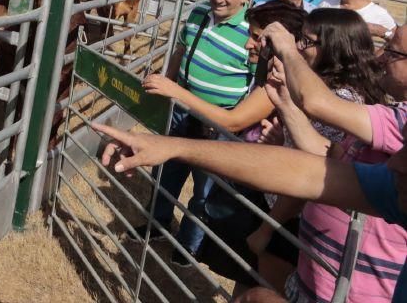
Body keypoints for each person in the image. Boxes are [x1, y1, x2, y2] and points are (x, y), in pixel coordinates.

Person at [92, 24, 407, 300]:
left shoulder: (354, 103)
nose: (379, 59)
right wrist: (172, 145)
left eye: (392, 53)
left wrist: (286, 48)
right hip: (310, 282)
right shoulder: (393, 146)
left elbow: (313, 113)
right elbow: (314, 168)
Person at [249, 10, 402, 300]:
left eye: (307, 41)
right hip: (313, 253)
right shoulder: (368, 108)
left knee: (260, 292)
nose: (380, 58)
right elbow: (327, 154)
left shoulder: (343, 100)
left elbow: (316, 169)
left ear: (334, 47)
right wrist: (285, 104)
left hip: (302, 231)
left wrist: (268, 227)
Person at [134, 0, 254, 266]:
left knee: (205, 189)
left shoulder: (252, 33)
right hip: (181, 112)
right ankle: (158, 222)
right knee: (165, 172)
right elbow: (181, 51)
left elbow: (256, 84)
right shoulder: (199, 12)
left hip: (218, 122)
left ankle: (189, 245)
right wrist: (167, 85)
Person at [142, 0, 306, 137]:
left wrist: (175, 91)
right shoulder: (270, 71)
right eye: (249, 35)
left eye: (257, 38)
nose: (247, 44)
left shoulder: (280, 82)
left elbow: (232, 122)